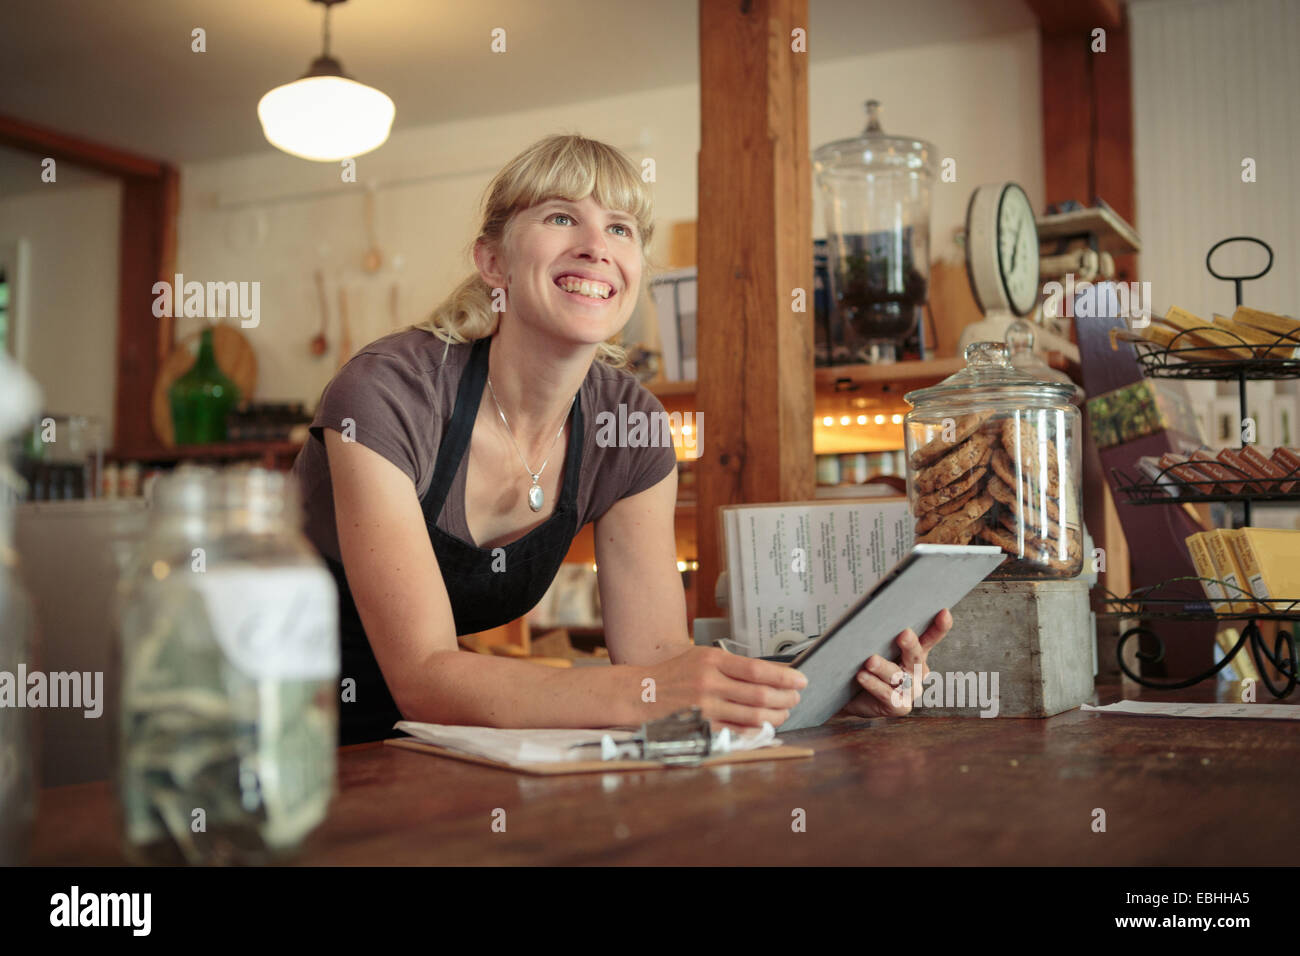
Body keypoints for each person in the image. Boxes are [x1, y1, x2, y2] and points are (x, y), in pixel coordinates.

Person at [290, 134, 953, 745]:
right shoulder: (387, 393)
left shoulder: (629, 428)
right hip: (266, 707)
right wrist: (645, 695)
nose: (595, 244)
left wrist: (820, 689)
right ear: (492, 261)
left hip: (437, 734)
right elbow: (426, 675)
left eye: (620, 228)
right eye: (559, 218)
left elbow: (657, 662)